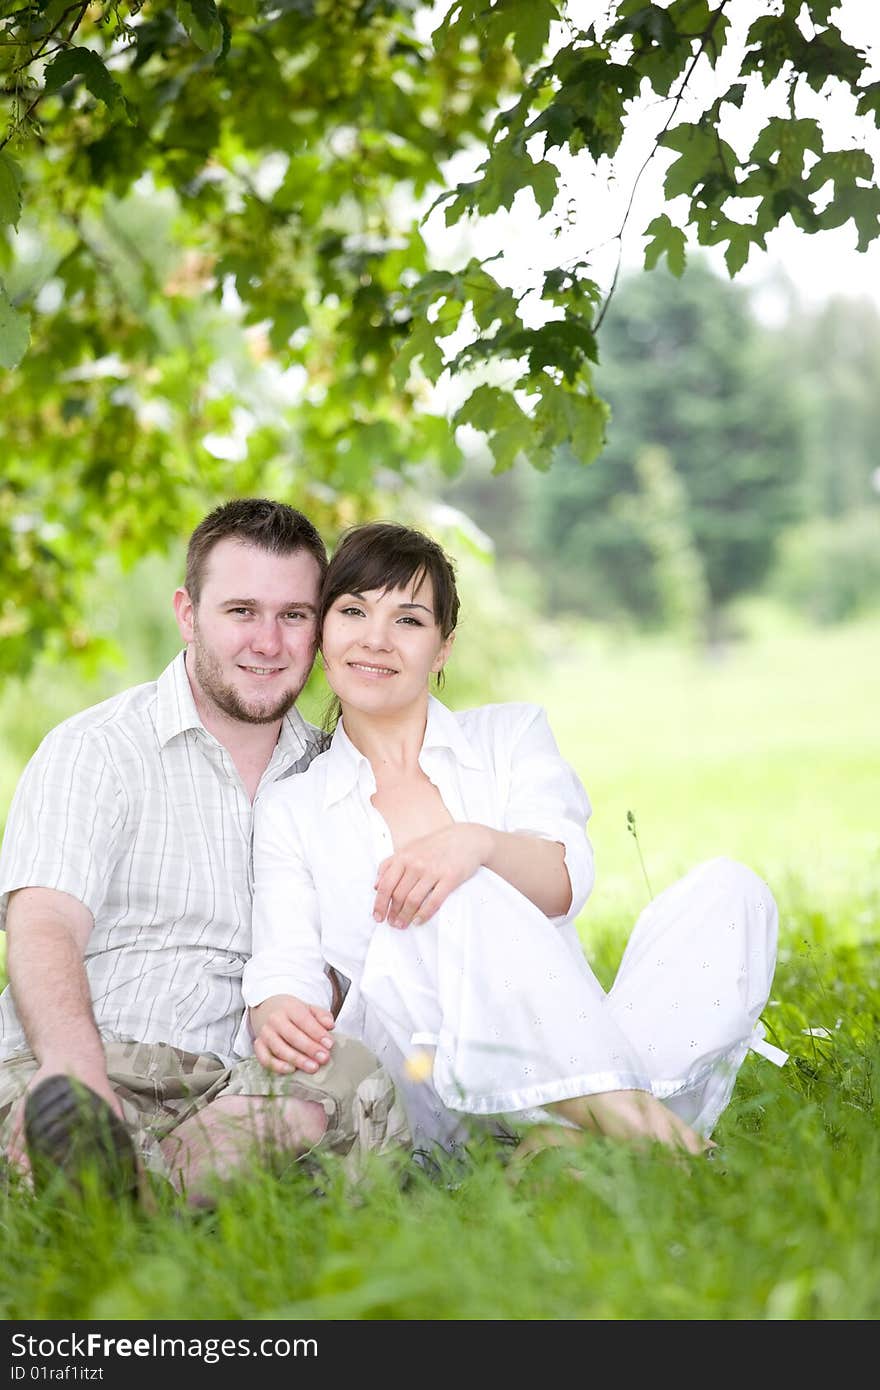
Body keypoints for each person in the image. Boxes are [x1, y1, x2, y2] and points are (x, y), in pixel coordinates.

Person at [241, 521, 785, 1163]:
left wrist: (476, 844)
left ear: (441, 648)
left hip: (568, 1041)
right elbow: (286, 960)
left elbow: (563, 882)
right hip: (422, 1079)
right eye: (354, 610)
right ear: (324, 637)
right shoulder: (293, 805)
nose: (377, 639)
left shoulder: (509, 735)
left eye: (409, 621)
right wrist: (275, 1005)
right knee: (449, 899)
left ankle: (579, 1137)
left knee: (729, 890)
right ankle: (664, 1139)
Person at [0, 499, 410, 1203]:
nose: (269, 643)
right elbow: (44, 924)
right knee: (63, 1117)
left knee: (349, 1077)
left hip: (240, 1087)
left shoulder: (338, 777)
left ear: (320, 629)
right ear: (188, 615)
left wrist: (314, 995)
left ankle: (116, 1198)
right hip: (91, 1057)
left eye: (294, 616)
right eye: (241, 612)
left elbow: (368, 958)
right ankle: (121, 1176)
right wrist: (74, 1071)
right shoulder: (96, 748)